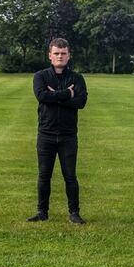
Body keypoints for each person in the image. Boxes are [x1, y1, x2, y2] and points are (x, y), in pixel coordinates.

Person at [27, 38, 88, 224]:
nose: (60, 56)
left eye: (63, 53)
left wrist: (54, 96)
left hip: (68, 135)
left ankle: (74, 213)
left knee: (70, 176)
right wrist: (66, 94)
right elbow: (41, 96)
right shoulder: (41, 76)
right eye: (56, 53)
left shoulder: (77, 78)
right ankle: (42, 212)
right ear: (50, 56)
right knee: (44, 175)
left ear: (69, 56)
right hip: (46, 134)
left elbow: (81, 102)